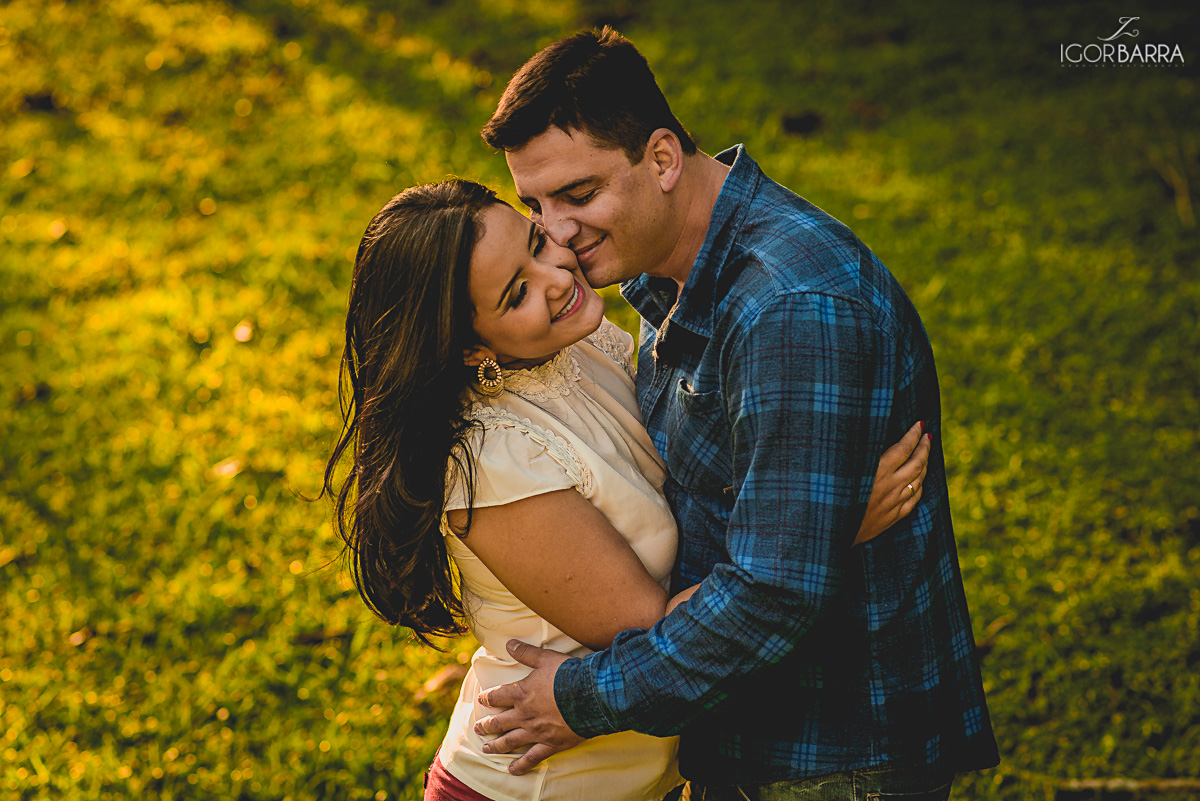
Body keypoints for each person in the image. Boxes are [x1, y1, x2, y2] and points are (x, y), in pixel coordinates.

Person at [470, 27, 1000, 800]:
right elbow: (716, 507)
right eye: (535, 204)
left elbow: (773, 593)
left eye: (578, 195)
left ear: (661, 158)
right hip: (749, 732)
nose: (554, 232)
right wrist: (829, 527)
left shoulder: (791, 309)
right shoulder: (665, 273)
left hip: (832, 751)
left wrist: (583, 697)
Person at [323, 179, 931, 801]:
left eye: (537, 242)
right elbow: (657, 635)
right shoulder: (493, 460)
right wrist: (823, 525)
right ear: (472, 346)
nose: (556, 275)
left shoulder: (587, 345)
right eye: (517, 293)